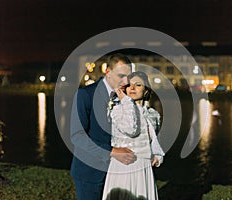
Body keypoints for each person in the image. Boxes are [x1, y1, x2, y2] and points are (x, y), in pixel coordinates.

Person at [70, 53, 137, 200]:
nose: (126, 81)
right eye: (121, 76)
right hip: (90, 172)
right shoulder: (85, 94)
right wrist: (112, 152)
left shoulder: (126, 97)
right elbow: (77, 137)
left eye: (128, 76)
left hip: (117, 172)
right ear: (107, 71)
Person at [102, 71, 165, 200]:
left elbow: (154, 140)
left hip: (143, 166)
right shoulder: (118, 110)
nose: (132, 88)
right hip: (123, 166)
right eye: (129, 85)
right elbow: (130, 129)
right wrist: (125, 101)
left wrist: (157, 156)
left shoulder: (153, 114)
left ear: (146, 90)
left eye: (138, 85)